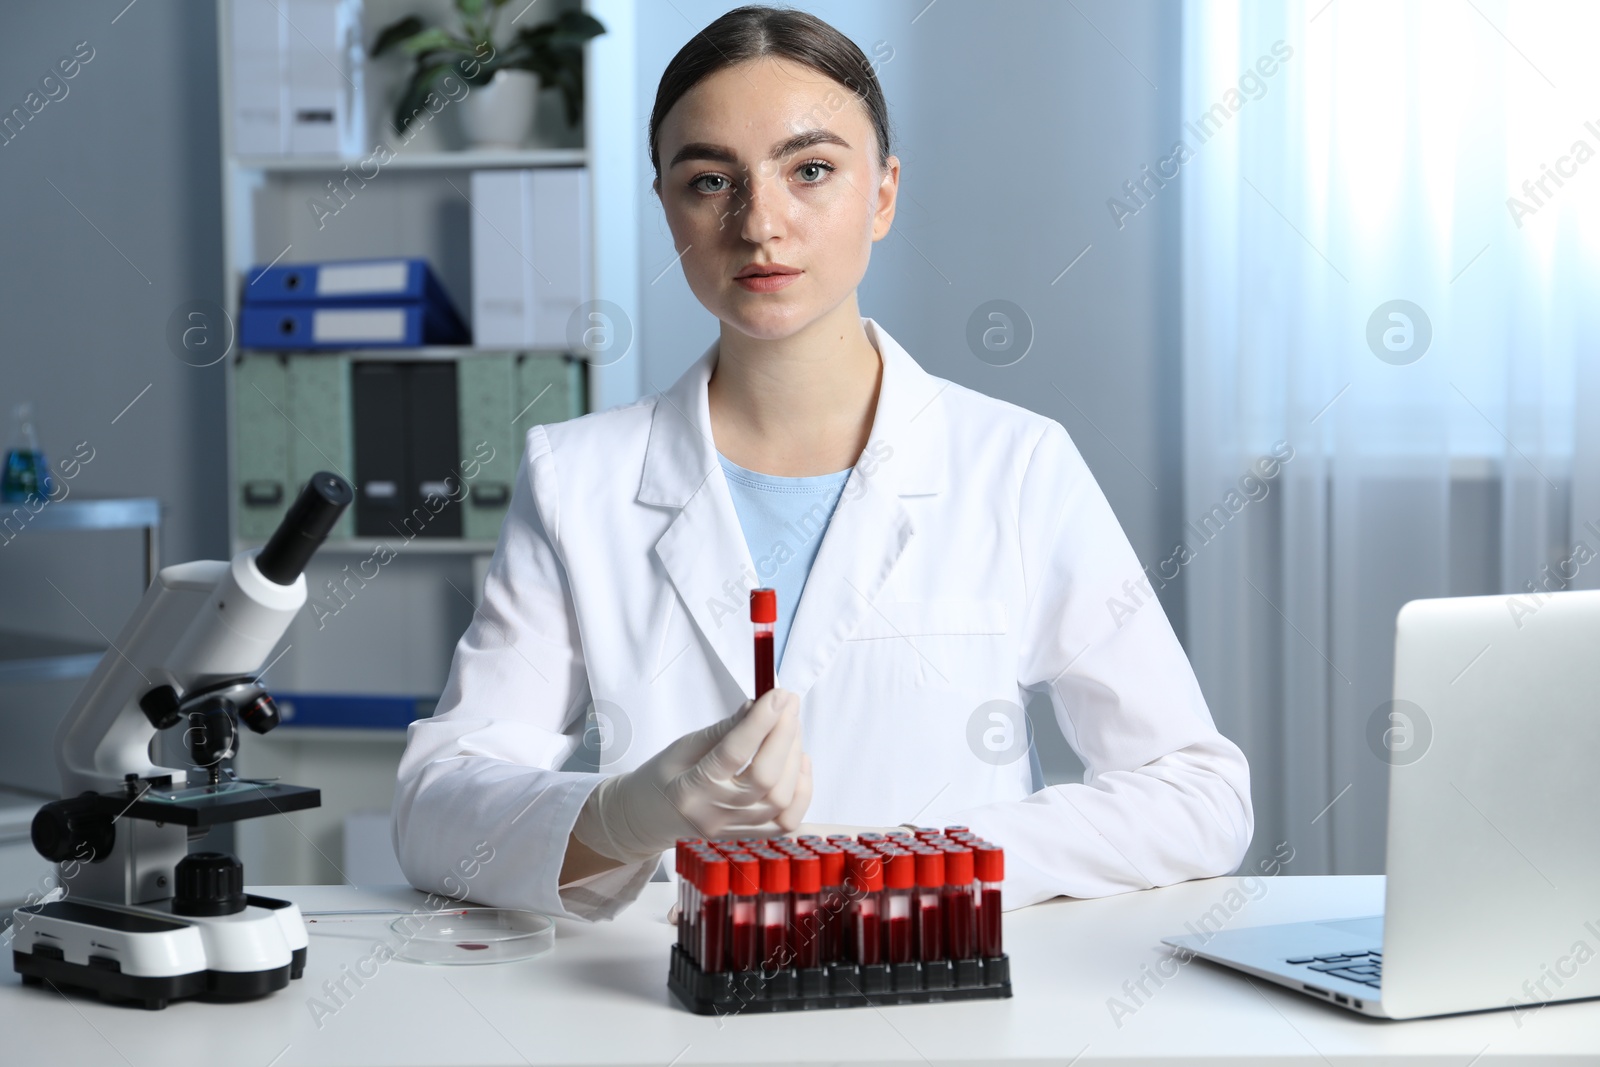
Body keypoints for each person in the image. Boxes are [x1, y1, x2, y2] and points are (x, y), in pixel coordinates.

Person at [392, 5, 1253, 921]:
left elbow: (1197, 795)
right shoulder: (579, 479)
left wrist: (926, 862)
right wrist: (623, 814)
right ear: (666, 208)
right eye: (711, 180)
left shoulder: (1014, 464)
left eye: (811, 170)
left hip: (934, 999)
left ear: (882, 194)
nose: (761, 224)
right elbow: (435, 805)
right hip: (669, 1008)